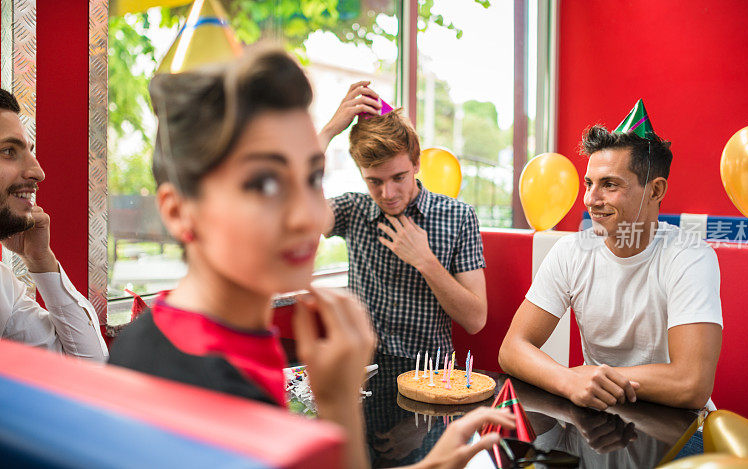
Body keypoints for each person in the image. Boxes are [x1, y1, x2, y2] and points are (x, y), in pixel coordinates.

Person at [109, 44, 513, 469]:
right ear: (178, 212)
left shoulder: (248, 348)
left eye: (312, 177)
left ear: (415, 164)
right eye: (265, 183)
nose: (307, 213)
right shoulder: (190, 376)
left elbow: (475, 316)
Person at [499, 116, 723, 411]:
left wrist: (591, 377)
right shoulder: (570, 251)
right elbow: (512, 348)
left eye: (609, 185)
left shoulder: (689, 255)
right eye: (589, 183)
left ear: (655, 191)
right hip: (599, 413)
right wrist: (567, 381)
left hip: (679, 425)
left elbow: (691, 384)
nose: (591, 199)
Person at [319, 82, 487, 358]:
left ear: (416, 163)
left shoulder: (459, 217)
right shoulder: (353, 209)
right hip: (362, 373)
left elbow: (476, 320)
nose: (387, 194)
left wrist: (425, 261)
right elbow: (297, 213)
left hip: (428, 378)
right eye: (373, 181)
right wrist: (328, 132)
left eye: (398, 178)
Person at [0, 89, 107, 362]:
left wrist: (40, 259)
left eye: (29, 152)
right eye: (9, 151)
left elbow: (89, 371)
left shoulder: (3, 285)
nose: (38, 172)